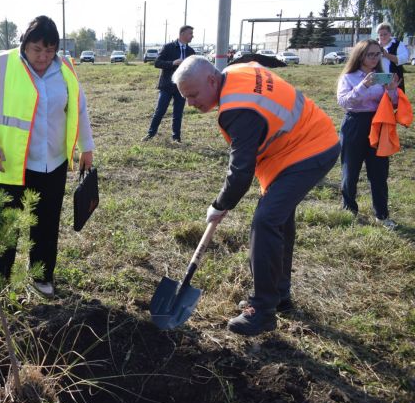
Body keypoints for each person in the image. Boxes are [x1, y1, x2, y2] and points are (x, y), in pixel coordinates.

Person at [173, 56, 340, 336]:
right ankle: (279, 295)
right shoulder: (238, 70)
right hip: (300, 144)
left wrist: (220, 205)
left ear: (212, 80)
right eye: (185, 97)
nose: (190, 103)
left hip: (309, 149)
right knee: (278, 220)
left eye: (192, 95)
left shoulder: (239, 109)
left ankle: (262, 310)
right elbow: (260, 71)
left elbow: (240, 172)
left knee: (265, 222)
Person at [0, 15, 95, 298]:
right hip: (10, 163)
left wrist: (86, 147)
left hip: (53, 162)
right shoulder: (1, 65)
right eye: (37, 49)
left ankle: (41, 277)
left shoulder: (65, 69)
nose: (43, 57)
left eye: (50, 50)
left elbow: (79, 108)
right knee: (5, 226)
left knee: (46, 223)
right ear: (25, 44)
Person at [337, 39, 400, 229]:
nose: (374, 58)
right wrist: (363, 85)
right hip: (355, 124)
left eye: (377, 54)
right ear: (360, 55)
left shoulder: (382, 76)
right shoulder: (349, 77)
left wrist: (391, 91)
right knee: (350, 170)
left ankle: (381, 214)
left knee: (379, 172)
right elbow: (344, 102)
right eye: (370, 54)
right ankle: (349, 209)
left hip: (379, 124)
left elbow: (394, 104)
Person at [142, 25, 195, 143]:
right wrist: (172, 63)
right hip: (167, 85)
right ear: (182, 34)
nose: (192, 36)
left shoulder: (191, 51)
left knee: (178, 113)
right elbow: (157, 63)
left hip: (181, 87)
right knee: (160, 110)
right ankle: (150, 134)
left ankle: (176, 138)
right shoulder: (168, 47)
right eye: (190, 33)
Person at [376, 22, 407, 91]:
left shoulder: (398, 44)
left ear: (390, 33)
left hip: (394, 78)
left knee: (394, 99)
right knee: (380, 99)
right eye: (381, 35)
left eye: (385, 34)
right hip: (379, 78)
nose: (383, 37)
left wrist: (387, 55)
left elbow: (404, 59)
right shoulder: (374, 45)